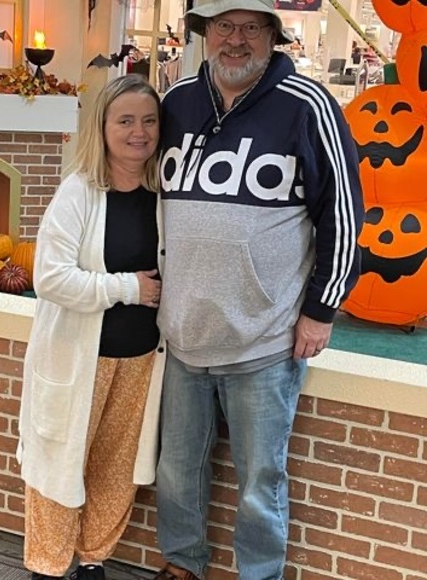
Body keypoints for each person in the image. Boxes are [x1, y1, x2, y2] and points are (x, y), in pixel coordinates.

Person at [154, 1, 364, 579]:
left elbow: (344, 213)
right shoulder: (177, 102)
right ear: (205, 33)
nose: (236, 39)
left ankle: (259, 573)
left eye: (251, 27)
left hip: (265, 340)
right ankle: (182, 564)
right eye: (224, 26)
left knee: (259, 482)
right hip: (183, 334)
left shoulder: (308, 105)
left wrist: (321, 309)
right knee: (176, 470)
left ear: (273, 35)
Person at [17, 74, 166, 580]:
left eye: (149, 121)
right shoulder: (78, 192)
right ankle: (48, 566)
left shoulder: (163, 197)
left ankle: (93, 560)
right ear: (101, 127)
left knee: (116, 468)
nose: (139, 132)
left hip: (140, 362)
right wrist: (129, 288)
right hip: (80, 360)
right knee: (61, 464)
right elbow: (50, 278)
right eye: (125, 121)